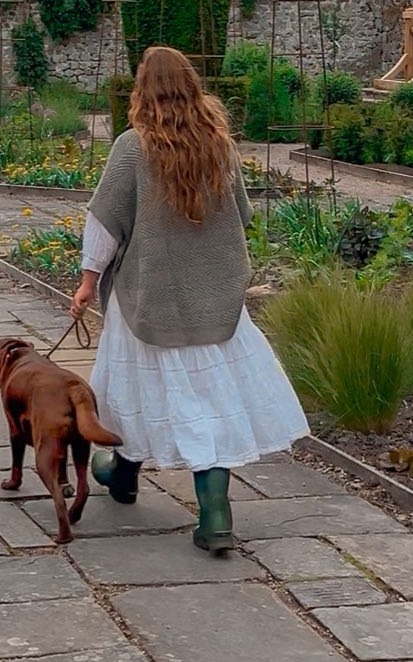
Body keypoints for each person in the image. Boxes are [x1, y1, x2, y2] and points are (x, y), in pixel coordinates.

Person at [70, 44, 308, 553]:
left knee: (134, 390)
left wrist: (89, 281)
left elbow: (104, 224)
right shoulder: (218, 144)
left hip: (149, 297)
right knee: (209, 401)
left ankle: (135, 477)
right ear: (191, 87)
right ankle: (165, 493)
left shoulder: (132, 147)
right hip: (215, 299)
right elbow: (242, 216)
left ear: (142, 89)